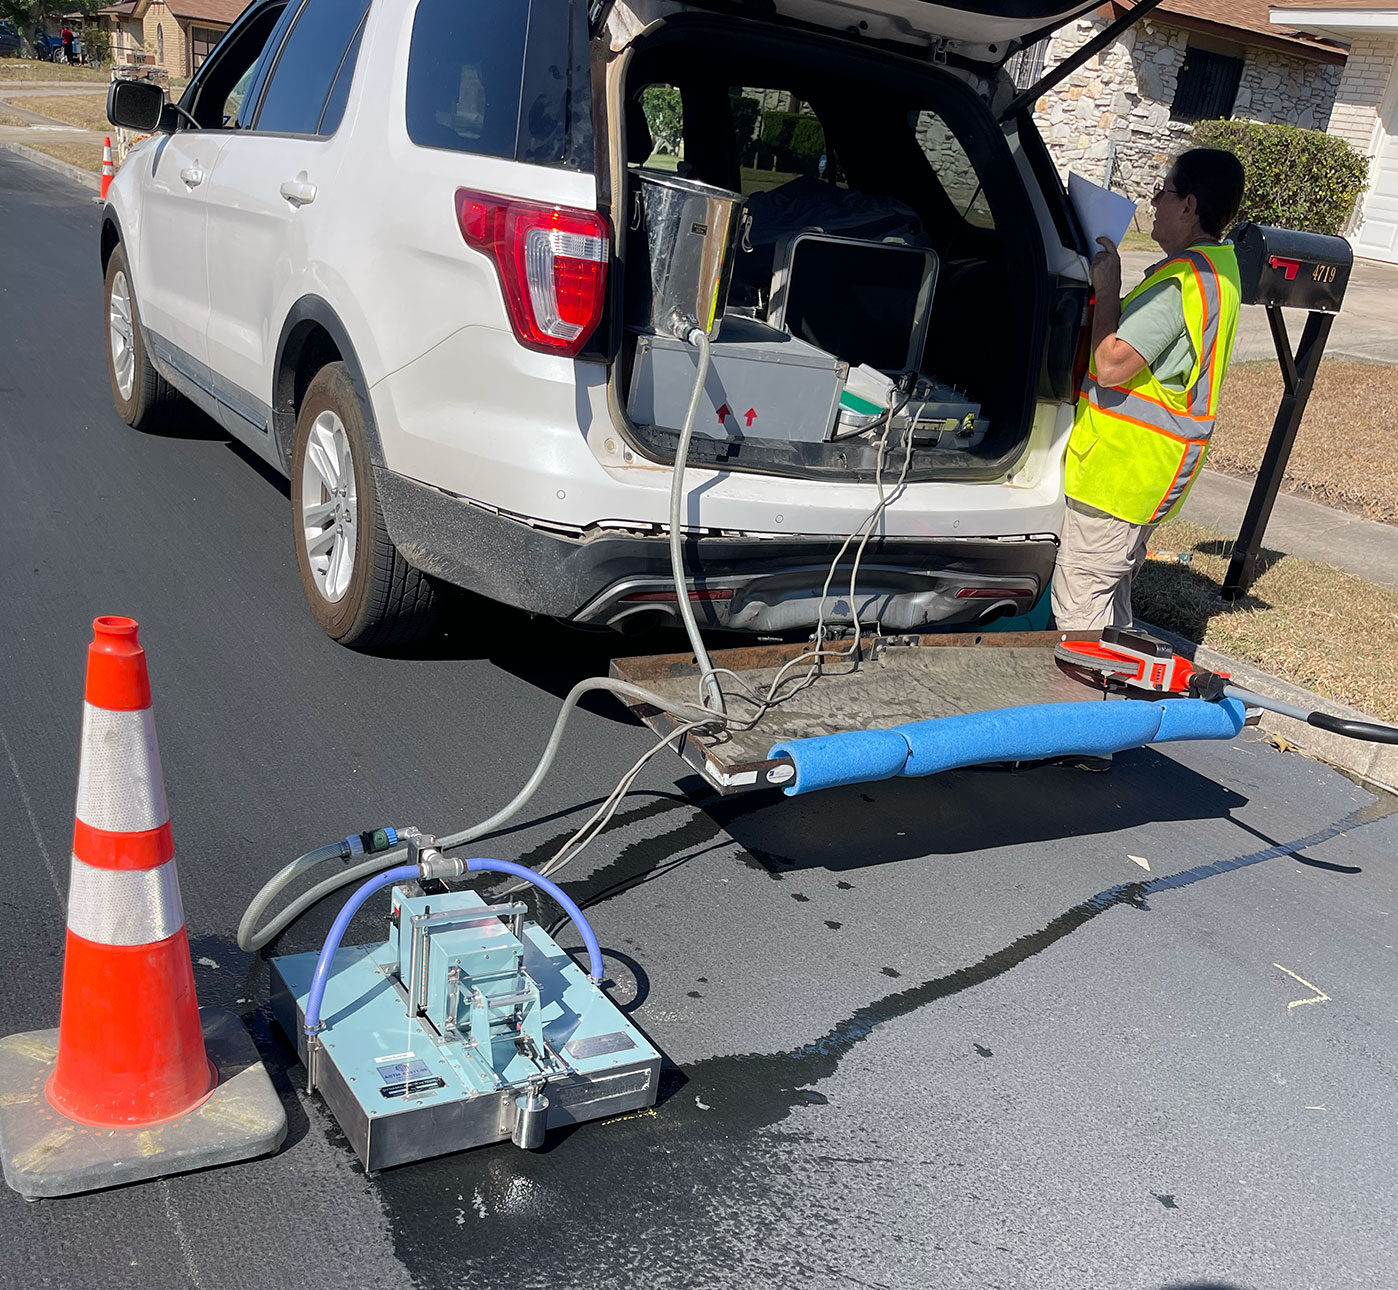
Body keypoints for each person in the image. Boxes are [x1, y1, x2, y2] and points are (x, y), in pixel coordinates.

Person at [1051, 147, 1246, 631]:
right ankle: (1113, 698)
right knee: (1109, 608)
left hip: (1118, 476)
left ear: (1190, 206)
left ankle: (1083, 702)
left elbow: (1112, 363)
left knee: (1081, 612)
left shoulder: (1179, 283)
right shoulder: (1218, 271)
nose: (1155, 202)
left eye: (1165, 192)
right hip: (1146, 475)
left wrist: (1109, 288)